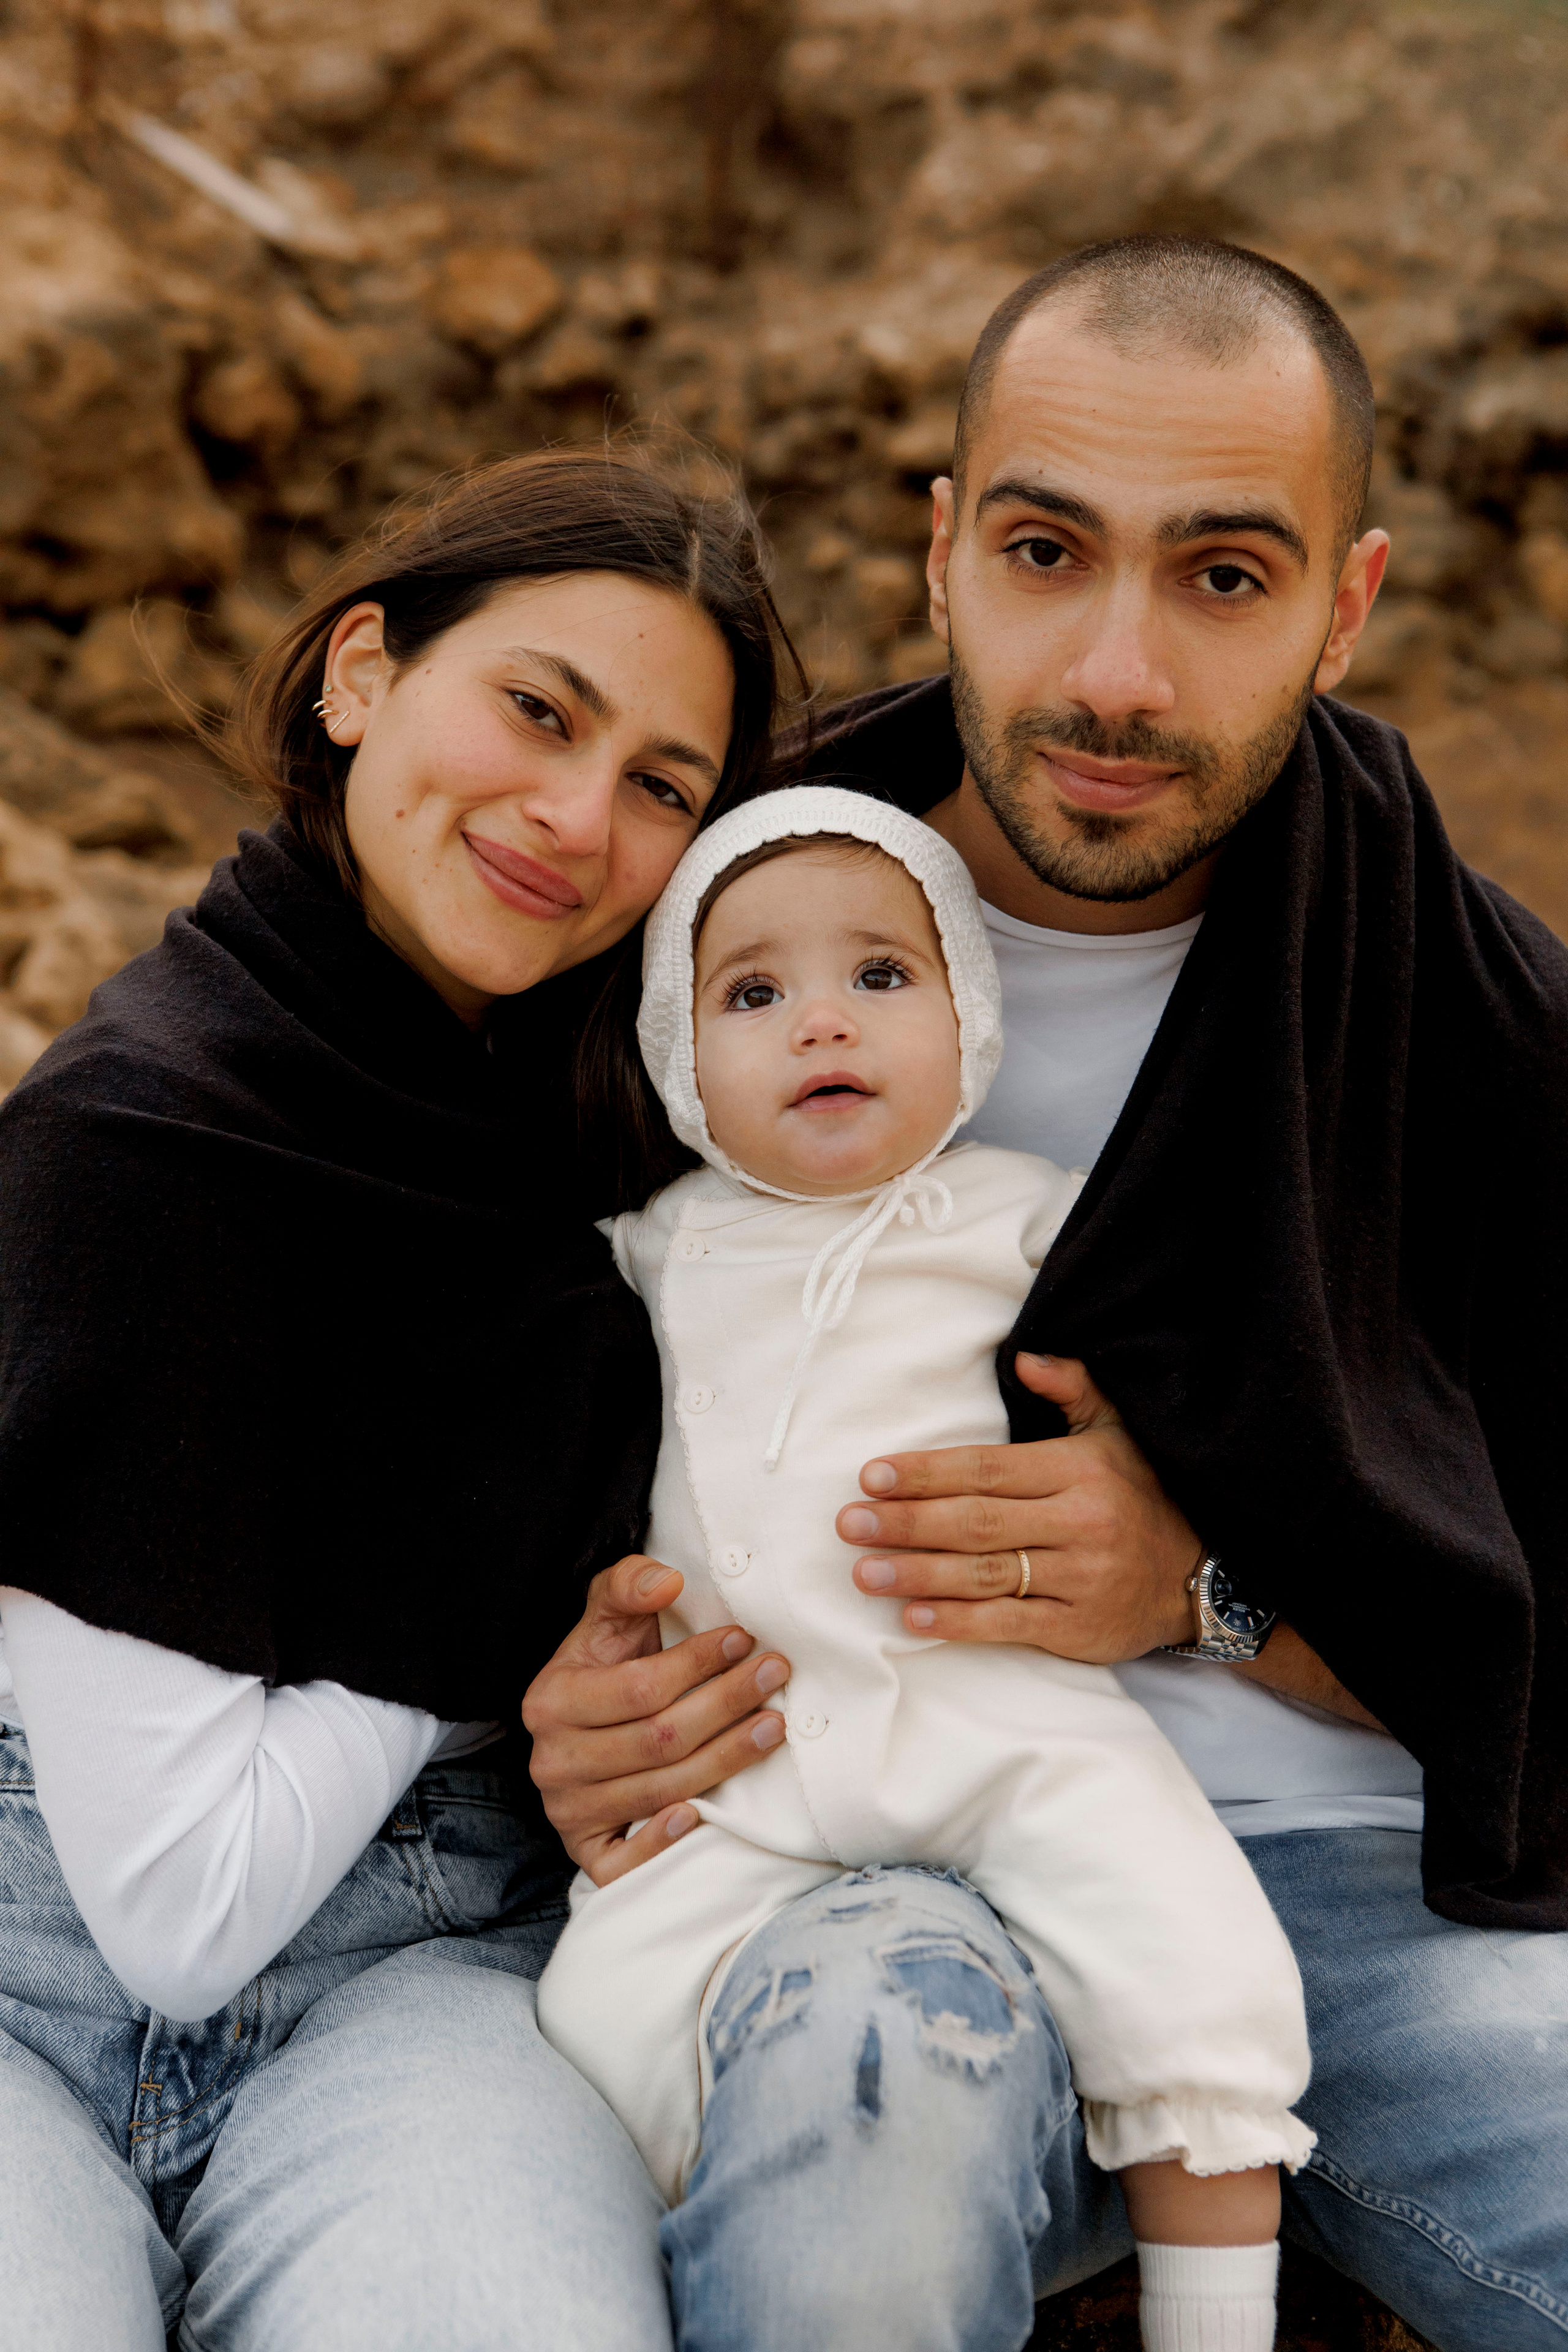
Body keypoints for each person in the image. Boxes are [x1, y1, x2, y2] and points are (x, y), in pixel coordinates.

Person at [524, 239, 1568, 2351]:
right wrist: (553, 1697)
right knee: (858, 2199)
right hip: (845, 1875)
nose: (1117, 675)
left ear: (1347, 607)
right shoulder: (698, 942)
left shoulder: (1475, 1022)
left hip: (1360, 1901)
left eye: (1225, 577)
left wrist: (1213, 1594)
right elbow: (445, 1425)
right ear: (939, 554)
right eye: (1044, 550)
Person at [0, 446, 806, 2352]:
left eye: (661, 789)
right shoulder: (134, 1147)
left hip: (428, 1972)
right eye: (538, 707)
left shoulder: (645, 1155)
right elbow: (182, 1908)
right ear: (362, 674)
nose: (573, 815)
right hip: (29, 1963)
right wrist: (504, 1519)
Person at [538, 788, 1314, 2352]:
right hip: (744, 1773)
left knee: (1192, 1964)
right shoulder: (650, 1248)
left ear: (970, 1018)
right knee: (591, 2021)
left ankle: (1213, 2308)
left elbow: (1212, 1391)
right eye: (753, 995)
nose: (822, 1020)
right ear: (681, 1063)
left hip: (995, 1724)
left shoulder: (1025, 1223)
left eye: (882, 977)